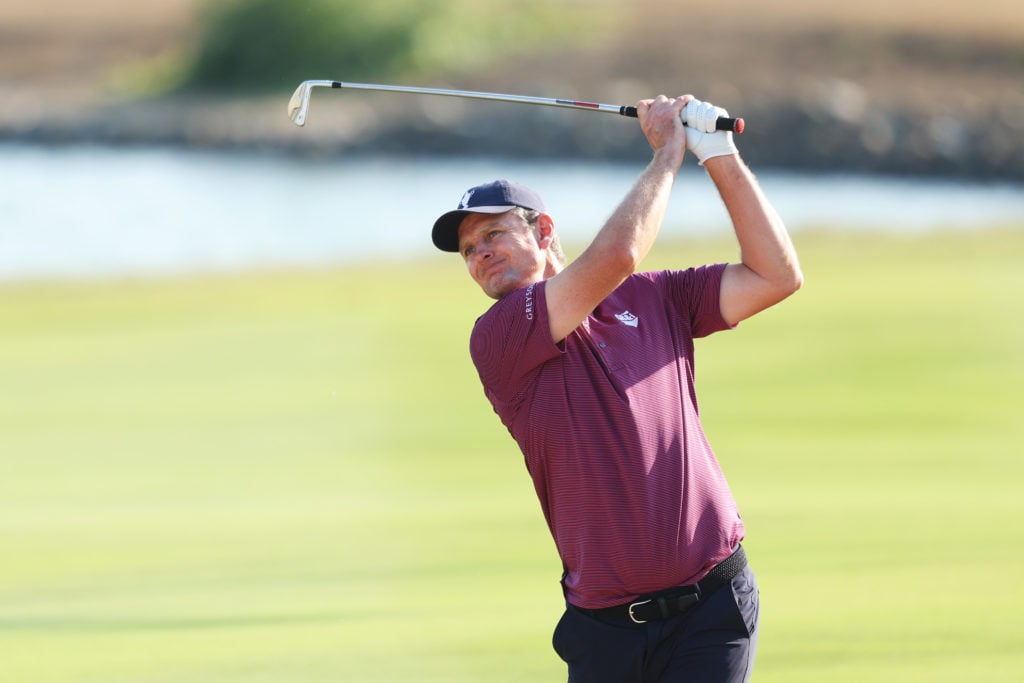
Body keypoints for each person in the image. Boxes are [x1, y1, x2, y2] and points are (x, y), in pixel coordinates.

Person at [430, 95, 802, 683]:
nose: (480, 257)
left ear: (543, 230)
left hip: (712, 605)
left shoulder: (657, 297)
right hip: (605, 633)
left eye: (494, 235)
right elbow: (618, 254)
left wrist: (719, 154)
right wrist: (667, 158)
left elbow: (776, 275)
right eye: (470, 251)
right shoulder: (497, 337)